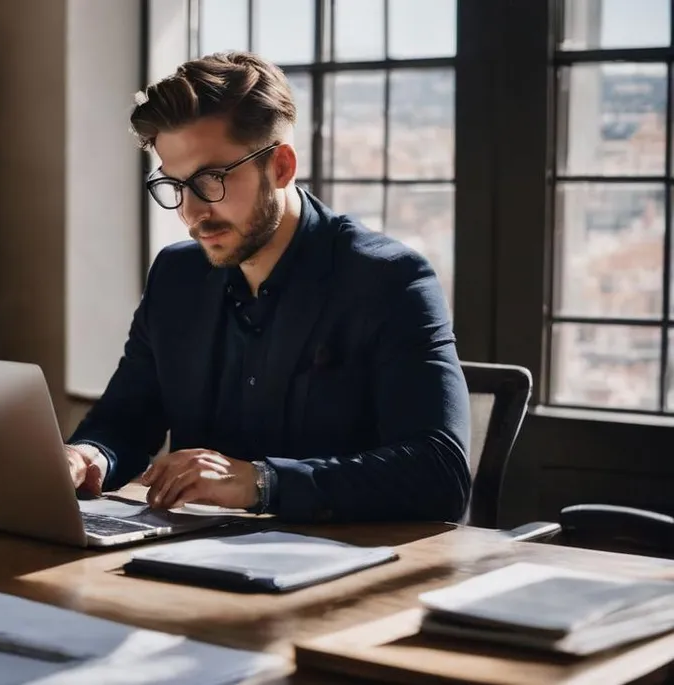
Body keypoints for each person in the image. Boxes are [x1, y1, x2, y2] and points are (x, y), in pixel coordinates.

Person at [63, 51, 472, 524]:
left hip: (343, 568)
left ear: (280, 166)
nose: (192, 214)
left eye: (210, 180)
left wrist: (262, 482)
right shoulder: (177, 277)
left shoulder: (389, 280)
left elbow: (439, 473)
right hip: (189, 562)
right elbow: (125, 420)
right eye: (175, 184)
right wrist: (89, 456)